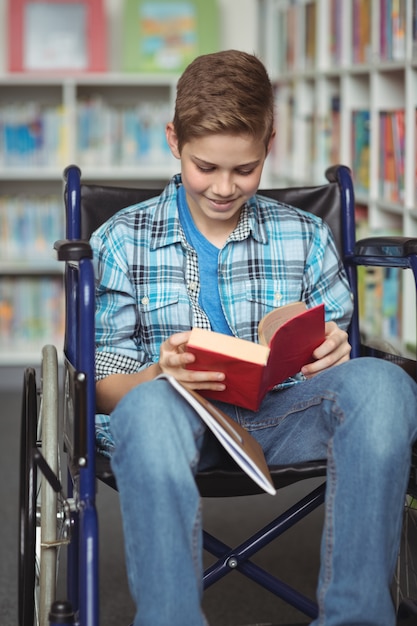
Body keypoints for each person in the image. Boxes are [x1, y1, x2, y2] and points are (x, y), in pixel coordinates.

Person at [90, 49, 417, 626]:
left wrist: (336, 352)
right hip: (170, 423)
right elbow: (98, 386)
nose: (223, 187)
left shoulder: (305, 235)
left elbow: (336, 351)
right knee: (146, 409)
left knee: (386, 385)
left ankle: (356, 619)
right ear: (173, 140)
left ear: (270, 141)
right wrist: (160, 374)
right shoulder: (122, 240)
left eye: (244, 169)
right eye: (205, 167)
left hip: (279, 417)